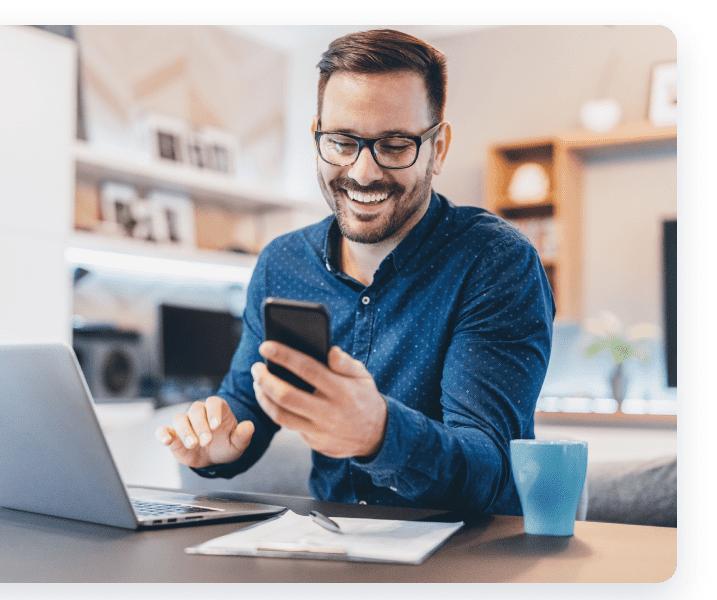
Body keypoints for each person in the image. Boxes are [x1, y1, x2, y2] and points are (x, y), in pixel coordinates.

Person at [156, 29, 554, 515]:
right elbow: (246, 405)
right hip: (331, 550)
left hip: (466, 564)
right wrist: (216, 445)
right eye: (343, 142)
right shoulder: (282, 264)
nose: (363, 172)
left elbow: (490, 469)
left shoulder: (494, 262)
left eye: (394, 144)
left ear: (439, 148)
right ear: (318, 137)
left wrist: (379, 434)